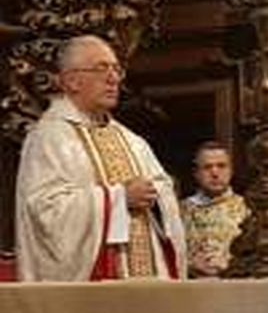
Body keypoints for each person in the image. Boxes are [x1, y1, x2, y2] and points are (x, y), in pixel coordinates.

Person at [14, 35, 185, 281]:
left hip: (149, 282)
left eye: (117, 69)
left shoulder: (133, 141)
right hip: (93, 292)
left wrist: (157, 195)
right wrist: (118, 199)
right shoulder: (50, 138)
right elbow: (43, 212)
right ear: (71, 81)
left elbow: (164, 193)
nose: (114, 78)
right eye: (101, 68)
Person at [181, 140, 248, 276]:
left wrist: (230, 264)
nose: (215, 173)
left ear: (231, 171)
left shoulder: (247, 209)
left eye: (221, 166)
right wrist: (188, 264)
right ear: (196, 173)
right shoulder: (178, 211)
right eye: (207, 167)